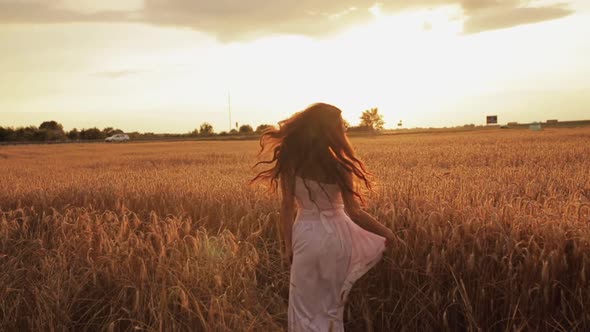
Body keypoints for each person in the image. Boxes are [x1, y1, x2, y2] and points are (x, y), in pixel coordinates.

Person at [252, 102, 395, 332]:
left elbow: (287, 206)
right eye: (341, 126)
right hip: (337, 239)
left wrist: (287, 246)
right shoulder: (340, 167)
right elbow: (354, 212)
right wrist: (386, 233)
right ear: (329, 131)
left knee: (303, 308)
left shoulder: (291, 162)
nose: (344, 129)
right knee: (331, 308)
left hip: (306, 237)